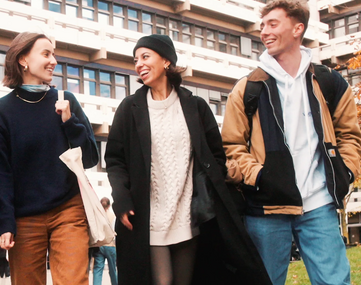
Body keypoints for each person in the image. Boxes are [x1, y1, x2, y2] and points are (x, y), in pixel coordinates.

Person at [106, 34, 271, 285]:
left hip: (188, 214)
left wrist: (208, 187)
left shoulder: (195, 106)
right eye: (135, 59)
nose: (138, 64)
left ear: (166, 62)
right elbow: (115, 159)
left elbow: (216, 154)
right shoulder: (130, 109)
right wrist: (122, 196)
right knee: (163, 281)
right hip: (149, 216)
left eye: (145, 56)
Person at [221, 0, 361, 285]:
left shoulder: (329, 83)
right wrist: (260, 176)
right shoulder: (248, 88)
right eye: (262, 26)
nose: (264, 32)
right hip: (266, 209)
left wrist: (345, 172)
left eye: (273, 24)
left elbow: (350, 135)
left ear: (297, 28)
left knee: (335, 282)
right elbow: (231, 146)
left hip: (319, 205)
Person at [0, 31, 100, 285]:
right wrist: (5, 221)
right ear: (23, 59)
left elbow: (91, 158)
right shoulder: (0, 112)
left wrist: (70, 123)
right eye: (46, 53)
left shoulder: (65, 101)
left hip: (69, 209)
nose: (54, 61)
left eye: (54, 54)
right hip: (24, 217)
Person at [92, 198, 118, 285]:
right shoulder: (113, 216)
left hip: (99, 246)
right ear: (109, 205)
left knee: (97, 269)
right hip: (110, 246)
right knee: (112, 270)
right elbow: (114, 231)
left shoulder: (96, 217)